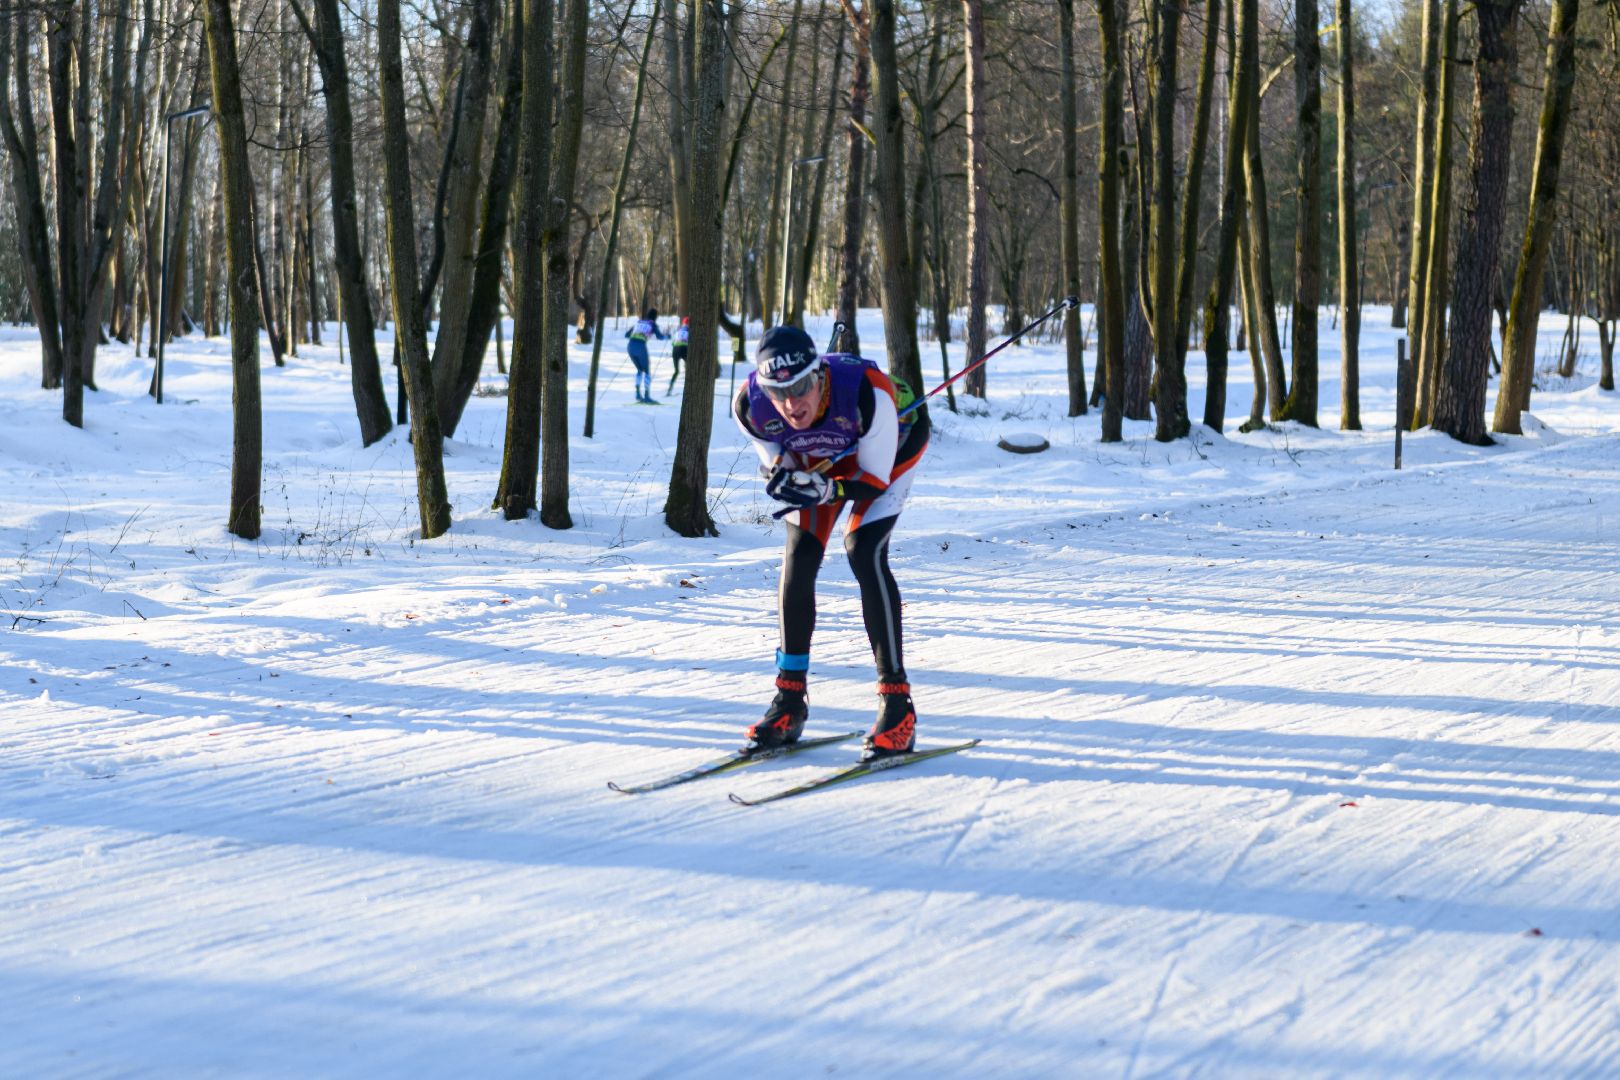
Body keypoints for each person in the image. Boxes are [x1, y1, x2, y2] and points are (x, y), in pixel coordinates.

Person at [733, 324, 930, 760]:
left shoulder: (866, 392)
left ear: (819, 374)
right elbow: (777, 466)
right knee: (799, 556)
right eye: (777, 391)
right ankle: (789, 703)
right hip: (820, 458)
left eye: (800, 387)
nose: (790, 403)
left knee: (864, 549)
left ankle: (898, 708)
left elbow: (873, 479)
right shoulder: (750, 406)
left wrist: (824, 490)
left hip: (892, 448)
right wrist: (787, 479)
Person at [624, 309, 666, 403]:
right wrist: (668, 337)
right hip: (640, 347)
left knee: (639, 370)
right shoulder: (652, 324)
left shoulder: (639, 322)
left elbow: (626, 335)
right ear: (655, 317)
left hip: (630, 346)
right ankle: (647, 396)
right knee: (647, 371)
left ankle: (638, 394)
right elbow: (660, 337)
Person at [666, 316, 690, 396]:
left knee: (676, 371)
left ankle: (669, 389)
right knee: (689, 370)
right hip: (684, 349)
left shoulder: (678, 330)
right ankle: (688, 391)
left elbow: (673, 343)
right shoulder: (690, 330)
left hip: (675, 350)